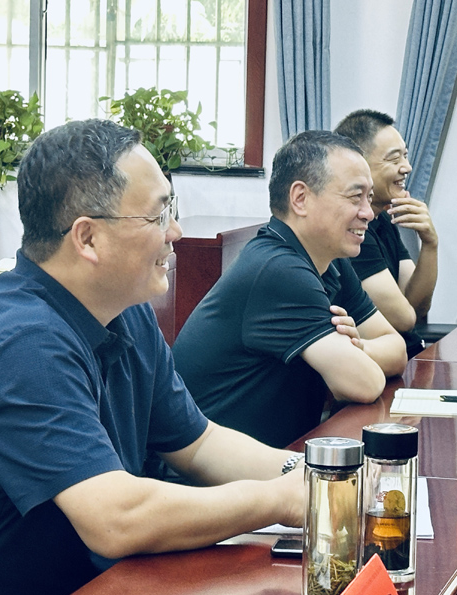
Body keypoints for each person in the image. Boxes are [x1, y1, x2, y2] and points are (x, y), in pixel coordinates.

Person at [0, 119, 306, 595]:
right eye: (158, 215)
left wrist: (312, 476)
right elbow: (116, 519)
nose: (175, 232)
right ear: (88, 237)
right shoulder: (20, 342)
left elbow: (199, 443)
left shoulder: (123, 308)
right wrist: (279, 500)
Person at [173, 131, 407, 448]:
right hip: (208, 470)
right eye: (355, 197)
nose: (367, 212)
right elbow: (365, 383)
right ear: (300, 198)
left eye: (369, 197)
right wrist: (358, 356)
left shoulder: (331, 261)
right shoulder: (278, 270)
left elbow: (397, 350)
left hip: (276, 457)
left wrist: (359, 348)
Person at [334, 109, 438, 358]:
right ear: (359, 165)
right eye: (394, 159)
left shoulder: (383, 218)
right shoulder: (354, 230)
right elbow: (404, 319)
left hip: (409, 355)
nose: (407, 167)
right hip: (383, 363)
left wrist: (430, 243)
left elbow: (418, 308)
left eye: (406, 156)